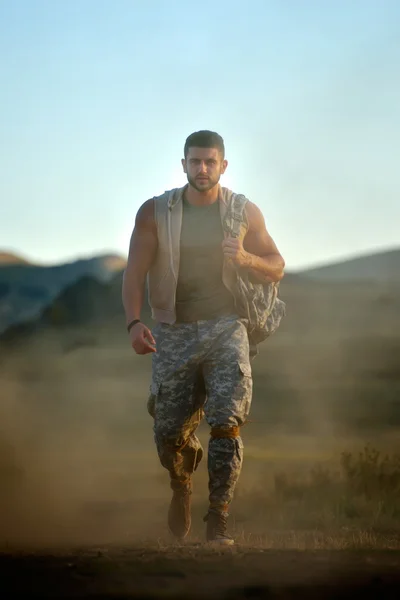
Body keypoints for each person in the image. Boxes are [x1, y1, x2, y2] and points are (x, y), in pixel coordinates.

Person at [122, 130, 285, 545]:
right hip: (172, 330)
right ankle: (182, 483)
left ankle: (219, 520)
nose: (202, 169)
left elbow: (277, 264)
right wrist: (134, 322)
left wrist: (245, 257)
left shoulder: (242, 211)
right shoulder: (155, 212)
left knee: (227, 423)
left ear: (223, 166)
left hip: (226, 326)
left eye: (210, 162)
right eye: (195, 161)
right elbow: (134, 271)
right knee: (167, 432)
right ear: (183, 165)